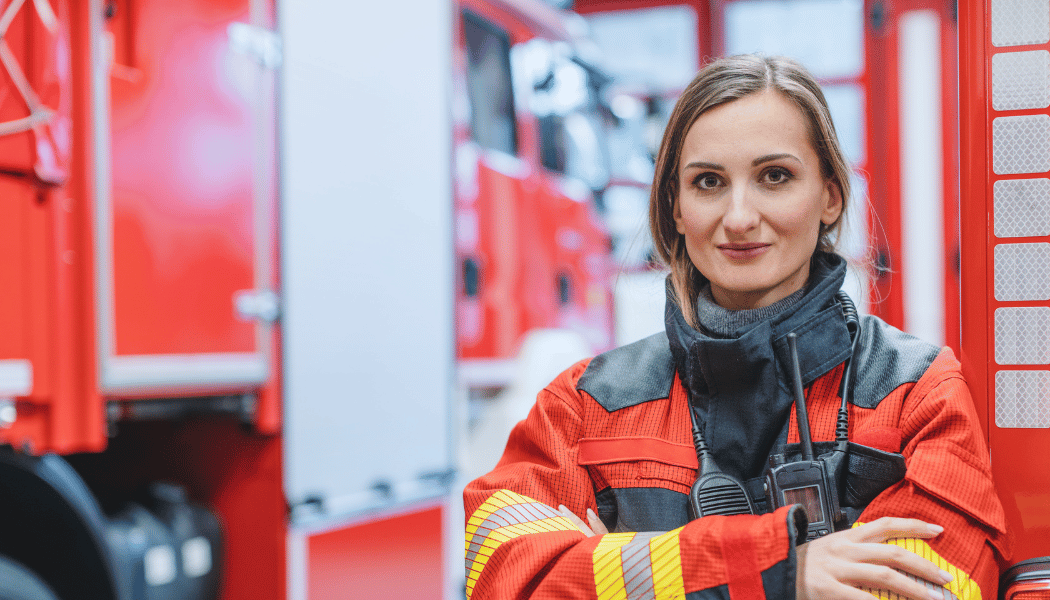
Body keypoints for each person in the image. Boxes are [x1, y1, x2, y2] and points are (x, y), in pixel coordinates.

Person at [463, 54, 1009, 600]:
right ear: (676, 208)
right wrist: (782, 573)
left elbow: (937, 589)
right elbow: (505, 575)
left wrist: (628, 567)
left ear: (830, 196)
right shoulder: (583, 406)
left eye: (775, 176)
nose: (739, 216)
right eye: (708, 182)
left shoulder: (916, 393)